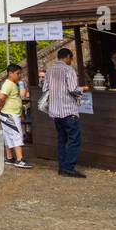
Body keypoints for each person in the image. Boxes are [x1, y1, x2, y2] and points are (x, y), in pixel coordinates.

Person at [43, 48, 87, 177]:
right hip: (69, 110)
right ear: (68, 57)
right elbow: (73, 89)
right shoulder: (69, 70)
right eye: (71, 58)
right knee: (74, 140)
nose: (71, 61)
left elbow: (45, 88)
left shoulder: (49, 70)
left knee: (62, 140)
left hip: (55, 111)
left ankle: (62, 167)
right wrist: (83, 89)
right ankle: (69, 167)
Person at [0, 64, 32, 169]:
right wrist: (0, 106)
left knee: (8, 136)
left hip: (9, 113)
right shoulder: (9, 84)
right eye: (17, 73)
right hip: (10, 114)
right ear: (10, 73)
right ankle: (19, 159)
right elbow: (2, 98)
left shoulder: (12, 83)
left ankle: (10, 157)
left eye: (20, 73)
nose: (19, 75)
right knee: (16, 135)